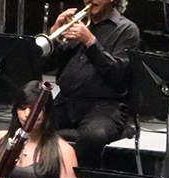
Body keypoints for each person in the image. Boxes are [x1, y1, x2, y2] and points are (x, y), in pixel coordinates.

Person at [46, 0, 139, 168]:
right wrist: (53, 33)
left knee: (94, 136)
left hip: (105, 104)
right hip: (66, 100)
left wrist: (90, 42)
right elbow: (46, 66)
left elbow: (117, 74)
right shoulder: (75, 24)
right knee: (31, 123)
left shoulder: (127, 29)